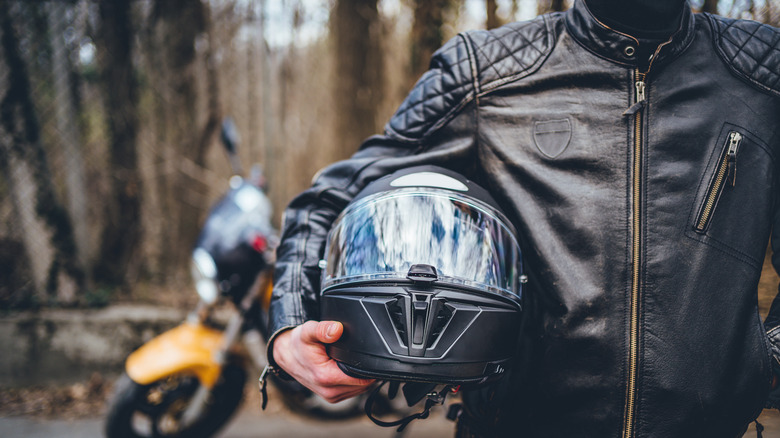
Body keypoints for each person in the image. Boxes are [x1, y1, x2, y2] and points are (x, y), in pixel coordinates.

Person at [264, 0, 780, 436]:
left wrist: (765, 363)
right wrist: (289, 327)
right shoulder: (489, 71)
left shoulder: (763, 73)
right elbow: (333, 197)